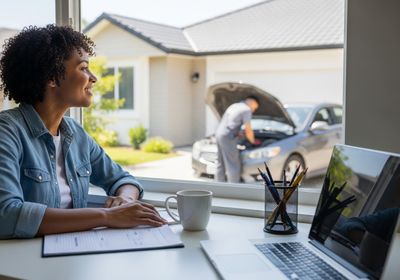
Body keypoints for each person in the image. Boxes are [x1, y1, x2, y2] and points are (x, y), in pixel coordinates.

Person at [0, 25, 166, 239]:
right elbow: (6, 215)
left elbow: (123, 180)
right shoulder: (7, 132)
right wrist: (107, 216)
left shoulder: (75, 133)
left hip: (69, 257)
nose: (93, 78)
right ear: (52, 77)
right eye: (83, 68)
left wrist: (125, 201)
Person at [215, 96, 259, 183]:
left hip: (219, 133)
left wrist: (237, 132)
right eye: (255, 107)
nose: (254, 110)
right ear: (252, 102)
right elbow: (248, 129)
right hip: (228, 137)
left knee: (221, 163)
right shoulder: (246, 109)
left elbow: (230, 122)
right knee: (233, 164)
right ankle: (234, 189)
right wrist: (253, 142)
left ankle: (218, 187)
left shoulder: (234, 105)